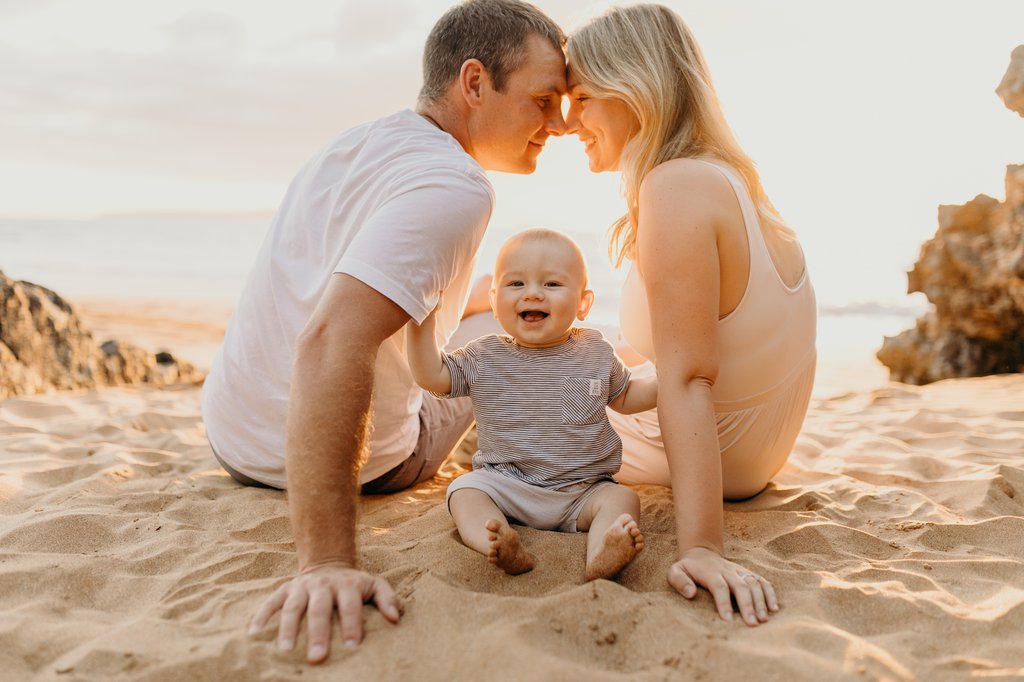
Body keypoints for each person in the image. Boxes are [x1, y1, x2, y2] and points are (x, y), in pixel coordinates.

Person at [201, 0, 568, 663]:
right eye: (544, 99)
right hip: (368, 467)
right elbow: (330, 341)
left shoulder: (354, 146)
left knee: (491, 306)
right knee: (524, 331)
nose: (561, 123)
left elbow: (323, 300)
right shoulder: (459, 188)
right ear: (475, 83)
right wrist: (327, 562)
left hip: (231, 436)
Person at [564, 4, 817, 628]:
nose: (569, 121)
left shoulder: (673, 186)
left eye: (583, 97)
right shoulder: (728, 179)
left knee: (488, 343)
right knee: (578, 349)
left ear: (635, 89)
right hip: (758, 451)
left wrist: (703, 548)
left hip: (718, 453)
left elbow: (687, 376)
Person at [407, 228, 656, 580]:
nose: (533, 293)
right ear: (493, 301)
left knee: (623, 501)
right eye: (516, 284)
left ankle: (603, 553)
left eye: (552, 284)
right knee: (463, 491)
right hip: (506, 485)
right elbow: (431, 375)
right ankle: (495, 541)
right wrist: (423, 320)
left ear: (583, 303)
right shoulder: (485, 356)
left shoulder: (595, 352)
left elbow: (627, 397)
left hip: (583, 490)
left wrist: (666, 380)